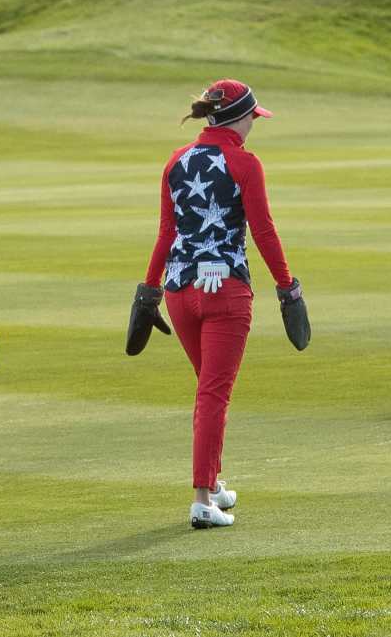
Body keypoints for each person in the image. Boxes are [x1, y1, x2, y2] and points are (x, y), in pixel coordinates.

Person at [131, 80, 304, 529]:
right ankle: (203, 499)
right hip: (225, 293)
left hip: (178, 292)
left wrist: (149, 292)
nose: (254, 124)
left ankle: (214, 481)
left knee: (208, 390)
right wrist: (288, 288)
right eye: (252, 117)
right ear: (238, 118)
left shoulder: (176, 161)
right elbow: (264, 232)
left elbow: (166, 234)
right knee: (213, 394)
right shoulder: (244, 162)